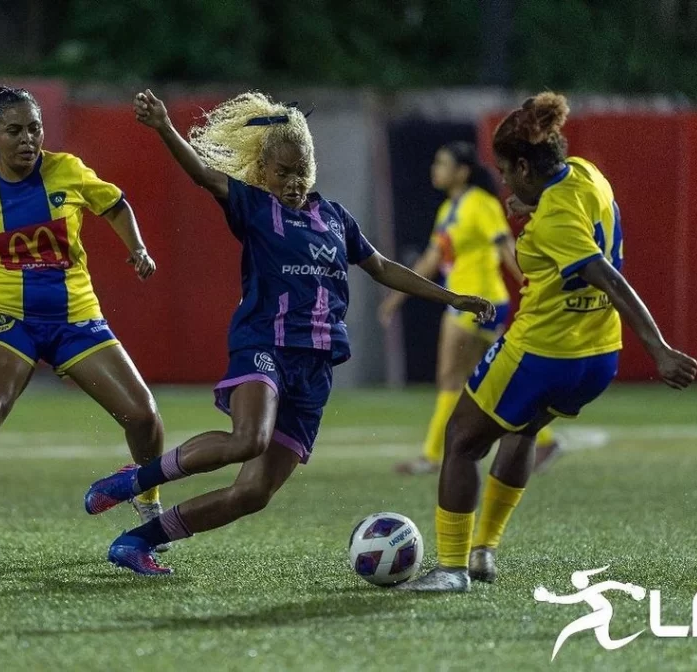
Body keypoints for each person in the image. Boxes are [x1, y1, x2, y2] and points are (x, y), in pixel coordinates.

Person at [81, 90, 496, 575]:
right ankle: (135, 481)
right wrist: (164, 127)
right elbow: (201, 175)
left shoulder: (336, 219)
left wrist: (452, 297)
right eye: (282, 172)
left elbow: (381, 267)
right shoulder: (254, 207)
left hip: (315, 367)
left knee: (253, 493)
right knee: (247, 440)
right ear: (261, 172)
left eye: (301, 171)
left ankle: (137, 542)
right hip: (264, 346)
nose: (293, 182)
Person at [398, 93, 697, 591]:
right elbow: (570, 210)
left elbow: (607, 276)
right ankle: (484, 552)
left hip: (542, 351)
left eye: (505, 171)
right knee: (522, 431)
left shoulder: (556, 218)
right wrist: (531, 200)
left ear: (522, 164)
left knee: (462, 441)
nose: (504, 183)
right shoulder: (585, 173)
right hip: (597, 357)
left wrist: (660, 347)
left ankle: (451, 569)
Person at [0, 86, 167, 560]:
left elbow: (116, 205)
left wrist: (138, 248)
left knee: (143, 414)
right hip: (8, 318)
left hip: (75, 317)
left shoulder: (67, 170)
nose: (28, 139)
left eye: (35, 128)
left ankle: (148, 506)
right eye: (15, 130)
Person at [378, 141, 561, 476]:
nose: (436, 169)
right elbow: (433, 259)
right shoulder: (450, 208)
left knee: (451, 378)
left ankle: (432, 455)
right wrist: (397, 295)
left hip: (477, 301)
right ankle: (545, 438)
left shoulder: (479, 204)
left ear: (462, 171)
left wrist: (531, 285)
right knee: (499, 377)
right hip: (472, 300)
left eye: (443, 163)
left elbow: (505, 246)